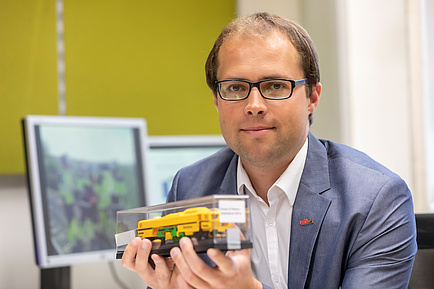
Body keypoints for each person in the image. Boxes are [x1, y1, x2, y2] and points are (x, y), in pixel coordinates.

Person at [122, 12, 417, 289]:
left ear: (312, 96)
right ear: (216, 100)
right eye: (236, 88)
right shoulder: (190, 187)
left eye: (275, 86)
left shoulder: (376, 198)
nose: (254, 106)